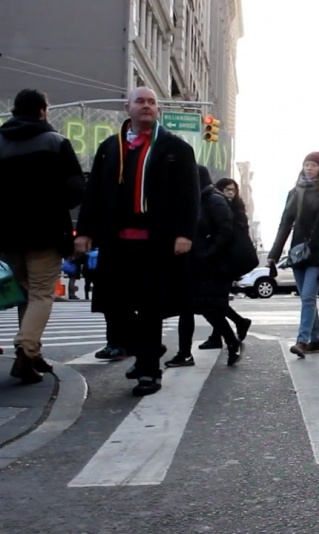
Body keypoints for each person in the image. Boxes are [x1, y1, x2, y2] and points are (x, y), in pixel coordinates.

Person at [75, 86, 200, 396]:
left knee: (149, 308)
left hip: (156, 244)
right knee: (114, 307)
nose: (147, 106)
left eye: (152, 102)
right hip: (116, 243)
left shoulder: (176, 149)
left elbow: (189, 196)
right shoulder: (109, 148)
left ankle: (148, 372)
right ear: (127, 107)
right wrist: (85, 232)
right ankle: (148, 348)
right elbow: (94, 194)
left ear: (157, 110)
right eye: (140, 101)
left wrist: (185, 233)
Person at [0, 88, 85, 383]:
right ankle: (26, 350)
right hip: (46, 232)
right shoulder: (56, 142)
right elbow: (75, 189)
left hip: (7, 235)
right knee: (41, 293)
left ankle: (30, 354)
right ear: (42, 111)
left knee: (27, 293)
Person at [167, 167, 243, 367]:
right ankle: (186, 352)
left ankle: (230, 341)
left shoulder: (213, 200)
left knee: (208, 308)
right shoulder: (197, 199)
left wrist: (208, 254)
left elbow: (226, 231)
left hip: (207, 265)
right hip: (192, 262)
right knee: (191, 308)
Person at [268, 152, 319, 357]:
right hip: (298, 253)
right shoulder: (295, 192)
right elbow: (285, 223)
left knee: (307, 297)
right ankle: (316, 340)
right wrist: (274, 254)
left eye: (313, 165)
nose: (309, 168)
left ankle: (302, 340)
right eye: (306, 164)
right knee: (307, 299)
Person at [196, 177, 255, 349]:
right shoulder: (218, 205)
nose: (231, 193)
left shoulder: (234, 209)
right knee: (218, 300)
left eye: (233, 190)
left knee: (214, 301)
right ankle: (230, 328)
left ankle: (235, 325)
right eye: (227, 189)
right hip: (223, 259)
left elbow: (228, 233)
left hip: (228, 261)